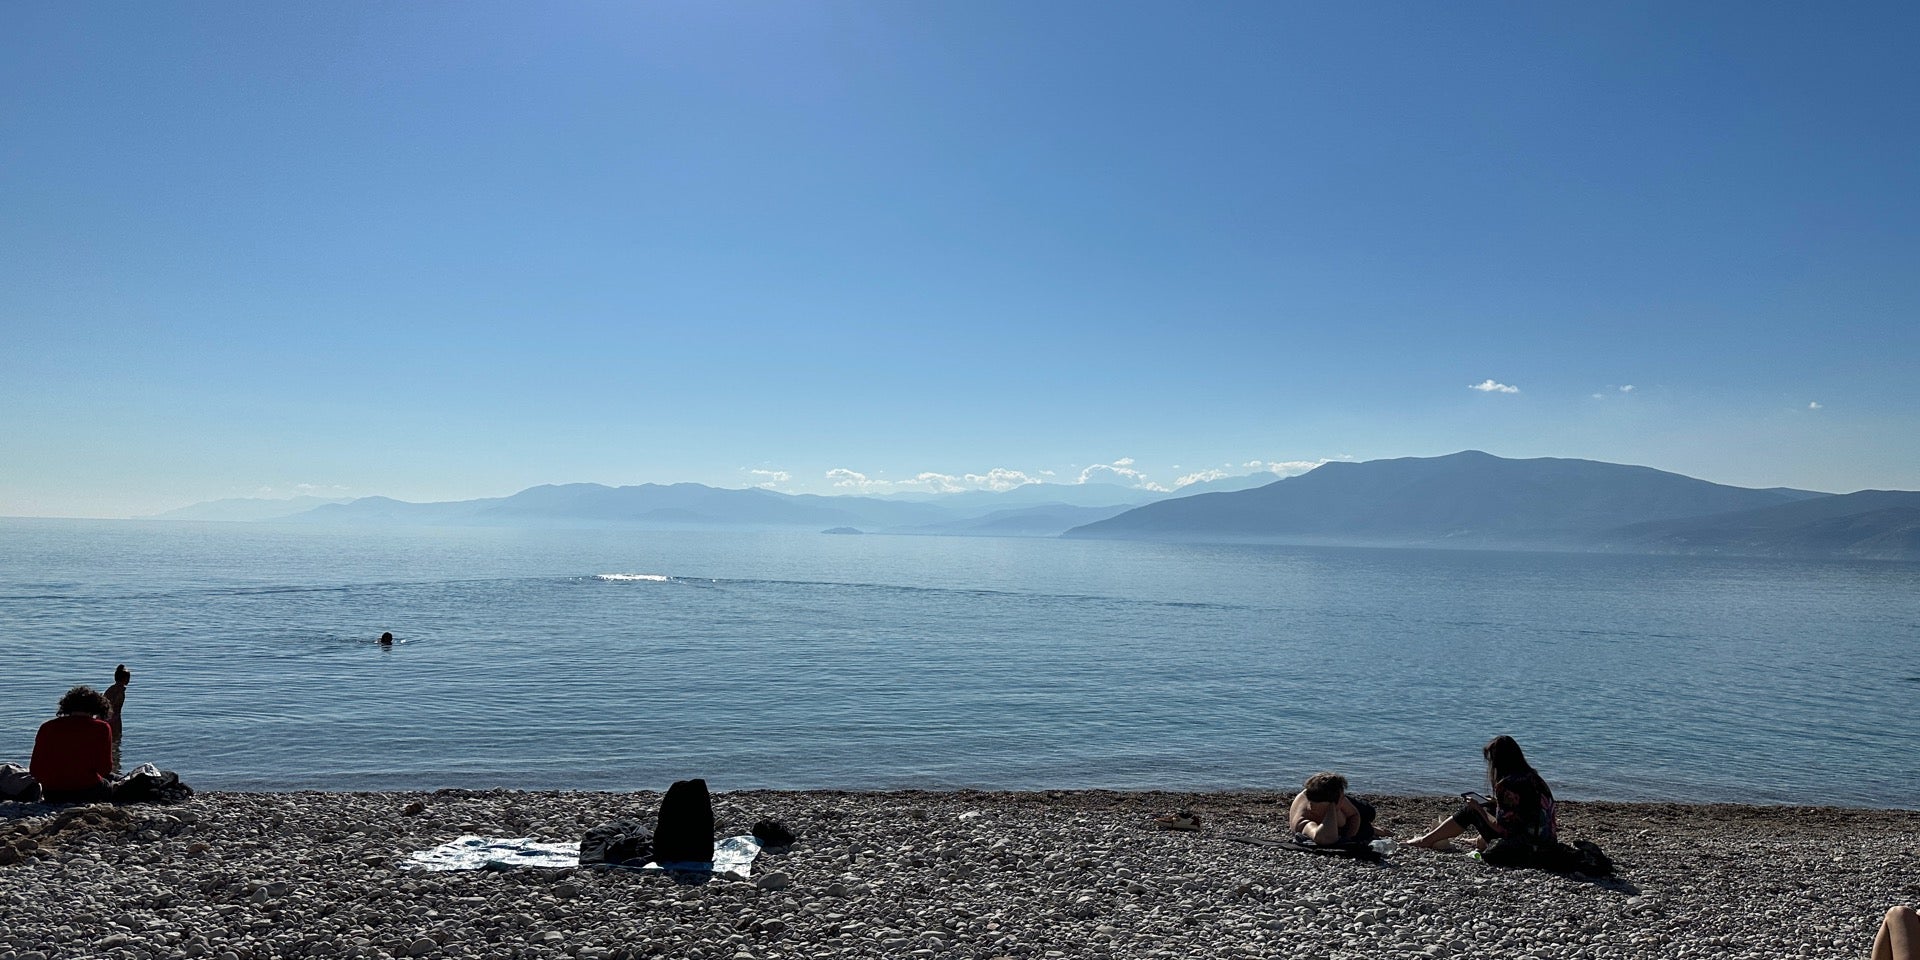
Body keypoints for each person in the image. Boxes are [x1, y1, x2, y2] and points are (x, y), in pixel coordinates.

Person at [1407, 735, 1557, 865]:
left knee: (1470, 810)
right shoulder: (1535, 778)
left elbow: (1500, 827)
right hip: (1547, 843)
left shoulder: (1507, 785)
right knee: (1486, 806)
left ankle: (1425, 841)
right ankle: (1477, 840)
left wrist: (1478, 808)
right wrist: (1494, 803)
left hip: (1523, 847)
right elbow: (1522, 811)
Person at [30, 686, 117, 804]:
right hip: (87, 790)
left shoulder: (47, 727)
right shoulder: (101, 728)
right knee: (112, 781)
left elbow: (35, 769)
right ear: (98, 708)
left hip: (52, 793)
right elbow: (105, 768)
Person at [1288, 772, 1389, 846]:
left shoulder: (1325, 797)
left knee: (1369, 813)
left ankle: (1372, 829)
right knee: (1366, 831)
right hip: (1328, 801)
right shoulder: (1304, 820)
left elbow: (1354, 815)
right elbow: (1325, 838)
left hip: (1328, 797)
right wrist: (1333, 809)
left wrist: (1348, 837)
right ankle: (1374, 830)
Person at [104, 663, 131, 770]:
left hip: (111, 718)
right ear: (124, 678)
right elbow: (113, 706)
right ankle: (114, 765)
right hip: (113, 719)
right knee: (114, 741)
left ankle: (113, 764)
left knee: (113, 742)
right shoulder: (119, 690)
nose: (129, 680)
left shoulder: (112, 688)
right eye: (128, 678)